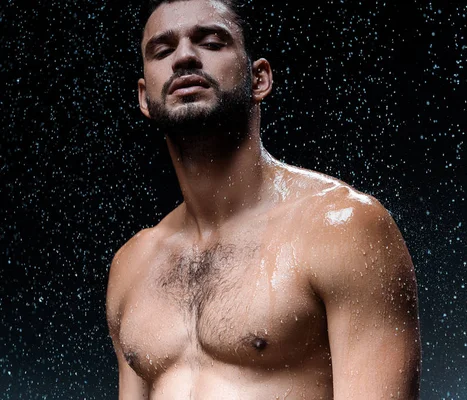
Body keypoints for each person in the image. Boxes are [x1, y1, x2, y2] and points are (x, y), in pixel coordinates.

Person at [105, 0, 421, 398]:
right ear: (144, 99)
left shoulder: (343, 228)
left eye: (211, 42)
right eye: (163, 51)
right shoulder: (131, 266)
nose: (184, 56)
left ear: (260, 80)